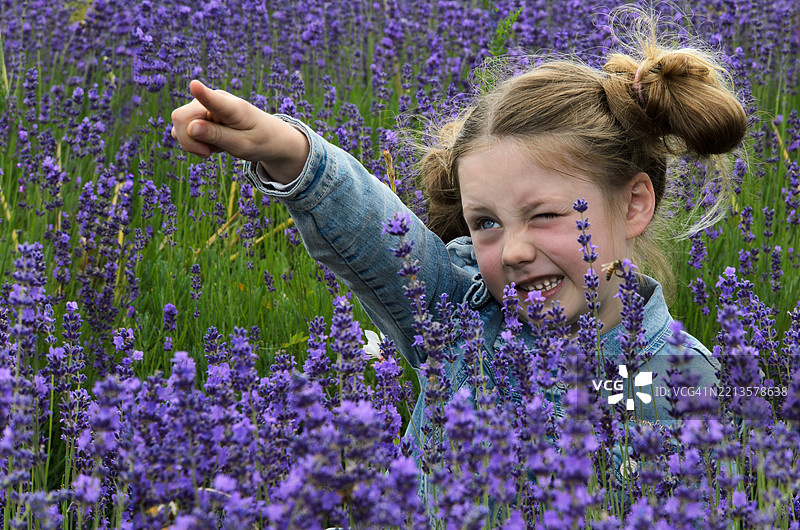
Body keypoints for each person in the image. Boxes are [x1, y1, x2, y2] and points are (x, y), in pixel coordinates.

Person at [170, 32, 746, 499]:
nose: (514, 251)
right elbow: (375, 235)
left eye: (544, 215)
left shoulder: (678, 377)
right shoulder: (459, 319)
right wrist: (287, 151)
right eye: (487, 223)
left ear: (634, 203)